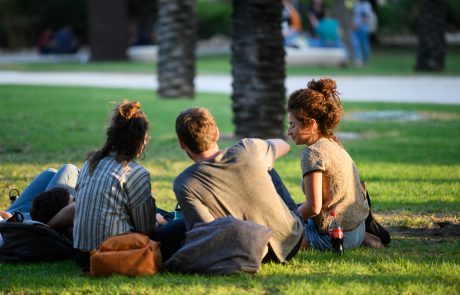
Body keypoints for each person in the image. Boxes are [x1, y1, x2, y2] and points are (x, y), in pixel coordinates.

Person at [173, 107, 304, 263]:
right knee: (264, 164)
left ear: (181, 143)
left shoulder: (185, 182)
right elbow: (284, 145)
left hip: (249, 251)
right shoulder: (248, 148)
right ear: (216, 133)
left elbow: (207, 233)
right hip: (291, 239)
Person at [73, 100, 184, 270]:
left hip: (81, 255)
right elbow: (145, 229)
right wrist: (158, 222)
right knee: (180, 224)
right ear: (140, 139)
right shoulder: (135, 173)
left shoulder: (90, 163)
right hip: (114, 253)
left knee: (159, 211)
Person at [287, 78, 382, 251]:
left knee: (275, 231)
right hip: (357, 228)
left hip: (334, 237)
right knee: (292, 207)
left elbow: (314, 207)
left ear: (311, 124)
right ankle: (364, 238)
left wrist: (285, 219)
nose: (289, 131)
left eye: (292, 125)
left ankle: (353, 241)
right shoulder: (333, 144)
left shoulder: (313, 153)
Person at [351, 0, 373, 67]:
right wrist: (353, 23)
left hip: (363, 27)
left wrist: (357, 24)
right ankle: (358, 61)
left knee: (364, 44)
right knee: (355, 44)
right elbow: (355, 15)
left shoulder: (366, 5)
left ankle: (366, 60)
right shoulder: (356, 4)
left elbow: (365, 17)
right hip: (355, 27)